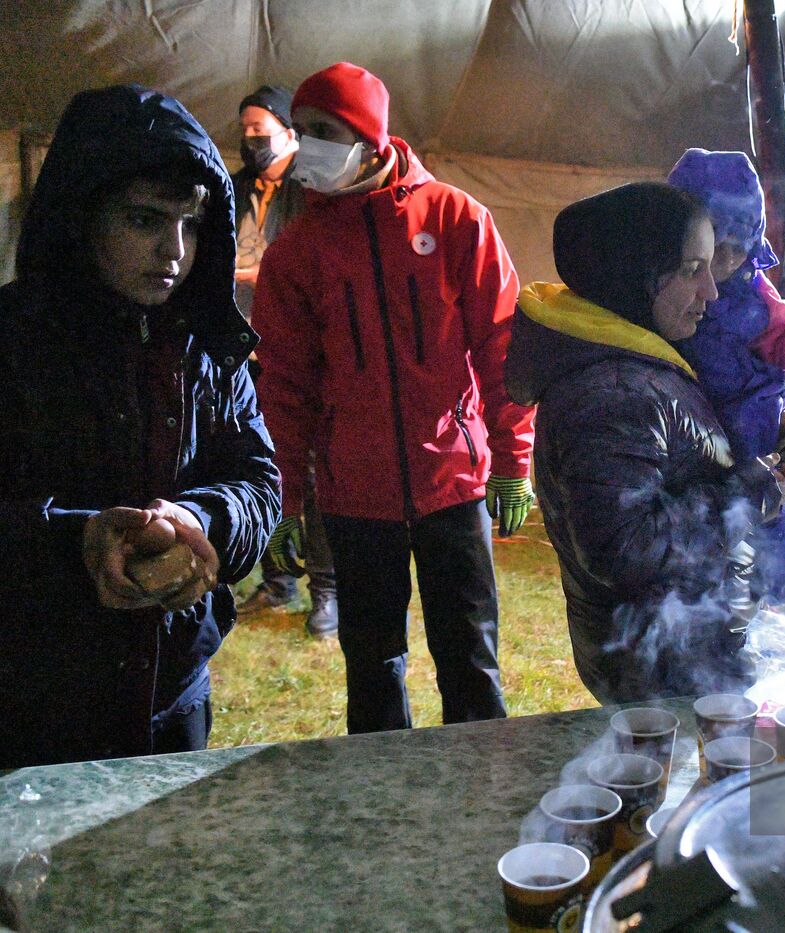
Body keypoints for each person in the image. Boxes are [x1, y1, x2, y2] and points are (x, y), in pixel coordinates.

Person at [0, 84, 279, 767]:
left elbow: (258, 481)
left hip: (173, 696)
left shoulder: (207, 345)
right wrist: (77, 539)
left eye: (192, 223)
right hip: (33, 703)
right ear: (82, 217)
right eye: (144, 219)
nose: (174, 250)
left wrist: (199, 521)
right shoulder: (12, 343)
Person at [255, 63, 534, 733]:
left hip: (453, 482)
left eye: (324, 131)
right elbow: (284, 388)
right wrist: (283, 498)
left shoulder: (456, 218)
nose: (306, 145)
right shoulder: (296, 255)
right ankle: (382, 792)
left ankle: (484, 784)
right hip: (355, 494)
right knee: (373, 665)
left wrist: (513, 459)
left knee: (470, 656)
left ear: (370, 138)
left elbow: (502, 347)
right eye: (301, 129)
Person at [505, 182, 785, 703]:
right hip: (659, 671)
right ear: (631, 272)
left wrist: (755, 450)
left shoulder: (639, 363)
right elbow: (624, 545)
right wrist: (747, 497)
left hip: (684, 653)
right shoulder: (611, 392)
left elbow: (678, 465)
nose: (711, 291)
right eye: (691, 269)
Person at [666, 147, 785, 605]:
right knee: (709, 541)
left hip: (753, 421)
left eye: (739, 247)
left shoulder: (753, 294)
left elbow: (783, 331)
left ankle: (773, 581)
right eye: (717, 247)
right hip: (692, 433)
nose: (728, 260)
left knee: (767, 517)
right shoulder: (663, 288)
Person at [229, 84, 338, 639]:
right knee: (261, 461)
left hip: (298, 346)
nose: (250, 138)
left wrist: (261, 274)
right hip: (243, 344)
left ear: (289, 133)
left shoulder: (313, 188)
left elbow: (317, 261)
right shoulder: (235, 188)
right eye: (245, 130)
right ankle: (276, 580)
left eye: (259, 129)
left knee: (310, 470)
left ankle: (327, 590)